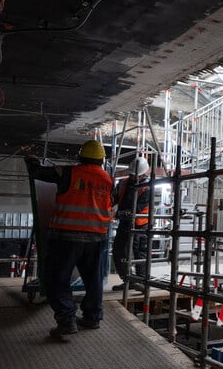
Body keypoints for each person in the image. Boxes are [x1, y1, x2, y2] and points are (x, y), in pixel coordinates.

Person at [25, 140, 114, 339]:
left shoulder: (68, 172)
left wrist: (31, 161)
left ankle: (66, 320)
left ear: (80, 157)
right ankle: (92, 317)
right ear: (101, 160)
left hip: (66, 237)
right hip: (96, 238)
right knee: (93, 280)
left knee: (57, 279)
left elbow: (38, 173)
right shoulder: (108, 179)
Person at [112, 156, 152, 291]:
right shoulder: (123, 183)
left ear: (144, 174)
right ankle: (128, 280)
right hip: (124, 224)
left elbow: (137, 210)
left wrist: (116, 214)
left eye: (137, 175)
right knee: (118, 251)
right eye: (132, 175)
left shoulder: (147, 188)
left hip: (140, 226)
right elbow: (114, 199)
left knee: (139, 253)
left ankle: (142, 283)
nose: (134, 178)